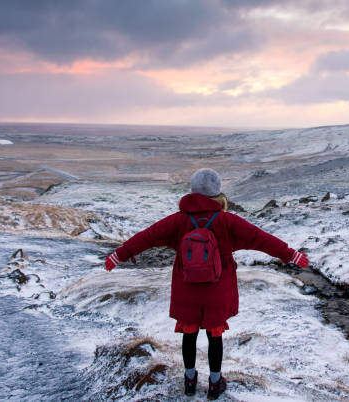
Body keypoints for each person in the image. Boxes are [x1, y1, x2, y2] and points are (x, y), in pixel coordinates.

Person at [104, 168, 309, 400]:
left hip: (186, 289)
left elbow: (148, 235)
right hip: (218, 290)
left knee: (189, 335)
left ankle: (189, 381)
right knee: (215, 337)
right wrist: (289, 254)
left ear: (193, 190)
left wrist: (120, 255)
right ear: (216, 192)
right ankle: (214, 383)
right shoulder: (227, 220)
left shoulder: (178, 220)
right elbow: (259, 238)